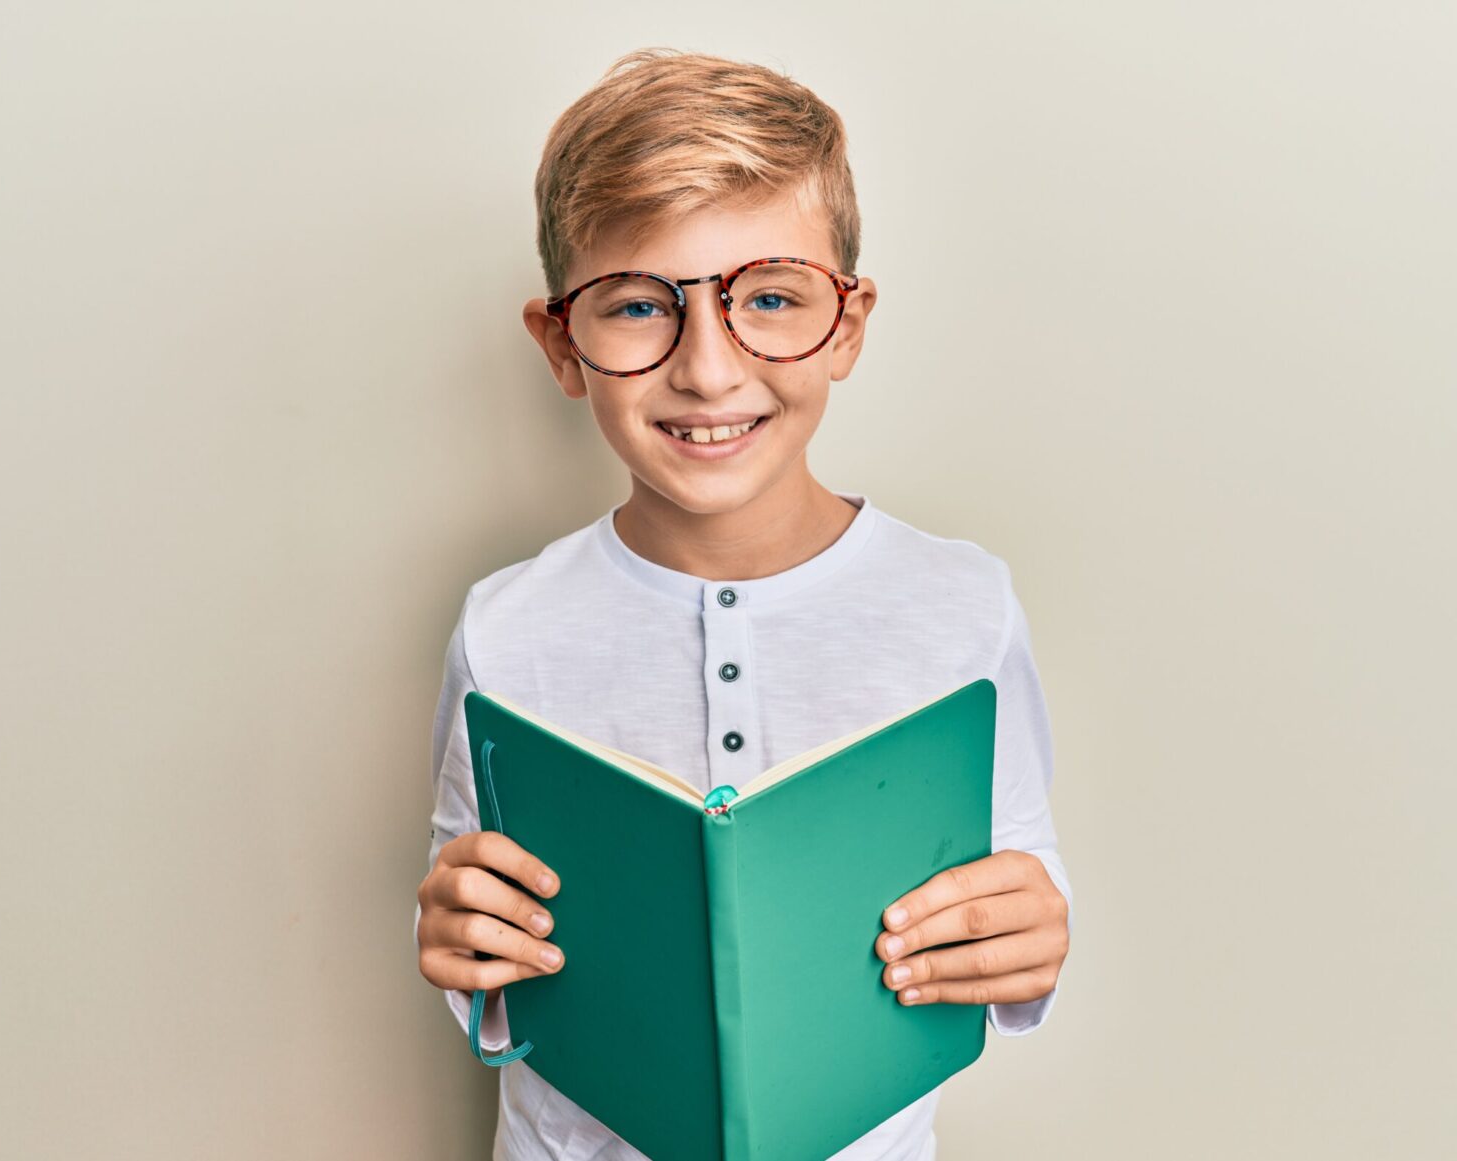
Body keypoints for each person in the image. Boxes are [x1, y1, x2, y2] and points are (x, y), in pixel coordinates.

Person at [413, 47, 1072, 1161]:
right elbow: (490, 965)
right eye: (635, 307)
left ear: (849, 323)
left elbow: (1017, 887)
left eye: (770, 298)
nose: (710, 373)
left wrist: (1034, 933)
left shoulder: (964, 607)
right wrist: (462, 944)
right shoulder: (504, 629)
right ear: (562, 344)